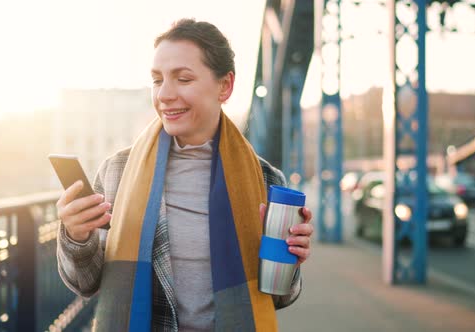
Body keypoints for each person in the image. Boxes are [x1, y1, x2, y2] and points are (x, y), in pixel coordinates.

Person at [56, 18, 314, 332]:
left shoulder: (266, 180)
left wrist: (290, 261)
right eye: (157, 79)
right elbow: (85, 283)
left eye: (183, 79)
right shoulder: (117, 172)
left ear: (225, 86)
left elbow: (279, 297)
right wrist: (77, 237)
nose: (164, 94)